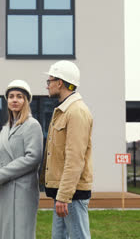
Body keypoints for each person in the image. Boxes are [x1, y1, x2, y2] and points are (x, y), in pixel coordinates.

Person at [40, 60, 93, 239]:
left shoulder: (76, 112)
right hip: (63, 193)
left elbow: (75, 158)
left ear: (60, 82)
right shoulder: (64, 110)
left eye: (49, 81)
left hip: (71, 195)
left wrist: (64, 196)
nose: (47, 86)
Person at [0, 80, 43, 239]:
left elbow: (33, 157)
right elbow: (0, 159)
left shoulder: (32, 125)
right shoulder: (4, 129)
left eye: (19, 96)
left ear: (26, 101)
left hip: (24, 190)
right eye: (11, 96)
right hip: (6, 189)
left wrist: (1, 174)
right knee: (7, 232)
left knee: (22, 232)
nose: (14, 100)